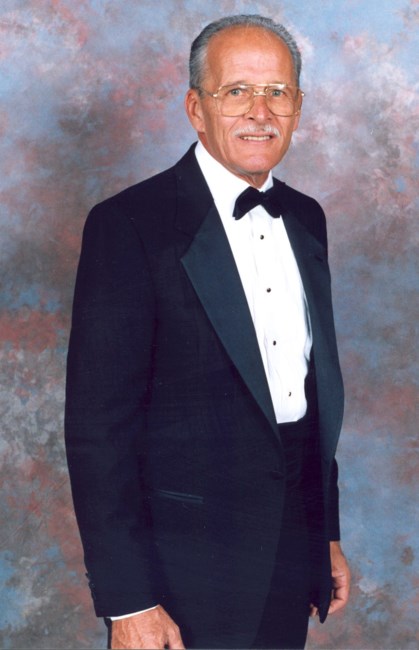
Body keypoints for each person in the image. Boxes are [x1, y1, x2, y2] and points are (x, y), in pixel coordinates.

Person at [65, 14, 350, 650]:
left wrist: (324, 533)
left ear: (299, 107)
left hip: (291, 550)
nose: (260, 112)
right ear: (197, 108)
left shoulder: (307, 218)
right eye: (237, 91)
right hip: (180, 570)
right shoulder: (129, 225)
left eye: (277, 92)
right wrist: (129, 600)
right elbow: (97, 432)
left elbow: (307, 396)